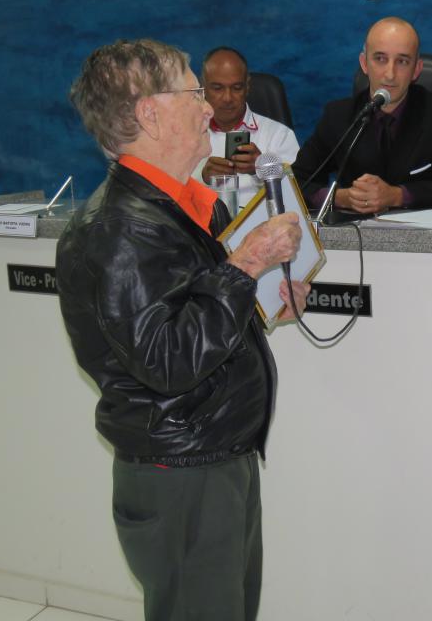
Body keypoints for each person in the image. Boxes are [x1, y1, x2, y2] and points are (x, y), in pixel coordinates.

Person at [56, 39, 308, 621]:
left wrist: (263, 301)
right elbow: (168, 361)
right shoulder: (119, 230)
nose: (208, 107)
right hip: (182, 471)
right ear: (150, 113)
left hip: (216, 449)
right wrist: (246, 265)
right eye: (194, 92)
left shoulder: (183, 205)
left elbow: (194, 314)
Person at [292, 17, 432, 214]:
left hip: (424, 230)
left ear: (416, 70)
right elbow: (296, 182)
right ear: (364, 64)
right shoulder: (338, 116)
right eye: (380, 59)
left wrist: (397, 196)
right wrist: (340, 198)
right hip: (356, 229)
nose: (390, 74)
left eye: (402, 61)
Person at [194, 46, 300, 209]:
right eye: (217, 88)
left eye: (236, 88)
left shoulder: (279, 135)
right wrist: (201, 178)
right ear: (203, 87)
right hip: (199, 223)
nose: (227, 98)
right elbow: (166, 192)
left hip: (263, 223)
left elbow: (297, 199)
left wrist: (261, 171)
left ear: (247, 87)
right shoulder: (184, 133)